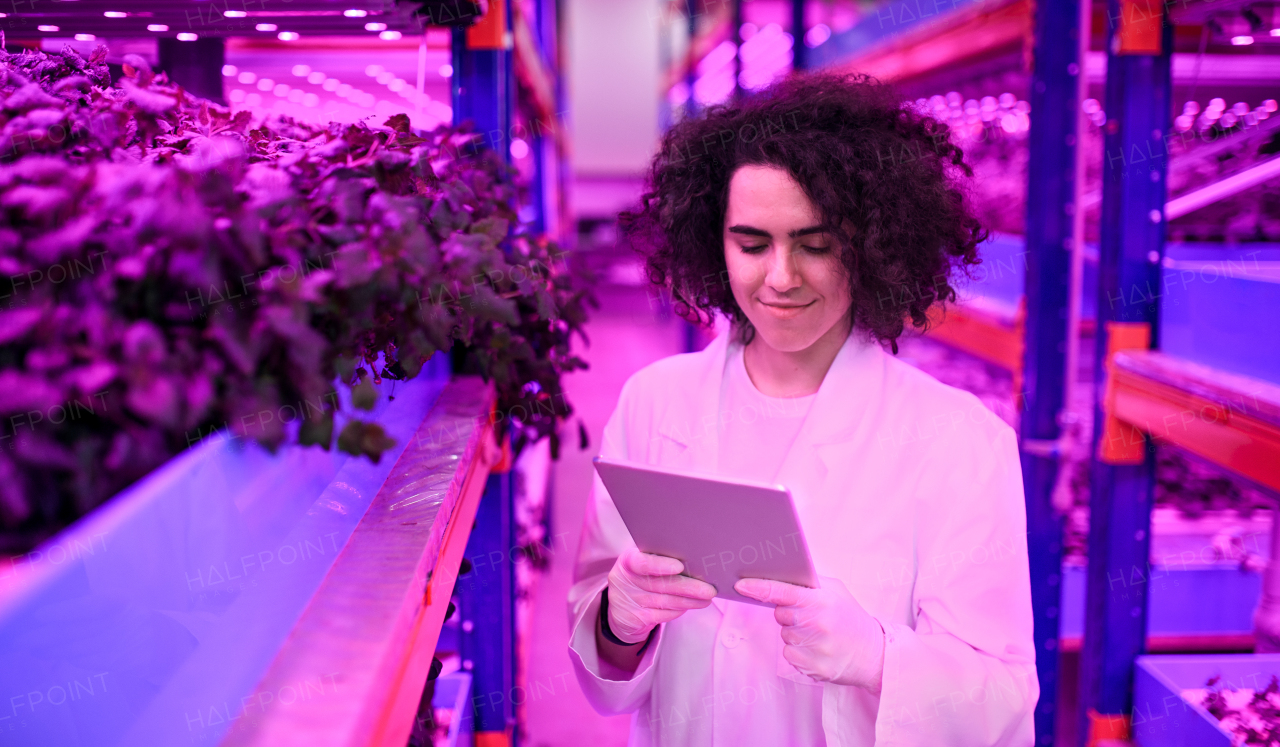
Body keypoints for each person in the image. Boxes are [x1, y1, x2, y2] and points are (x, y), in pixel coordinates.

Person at [567, 72, 1037, 746]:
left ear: (873, 246)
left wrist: (876, 658)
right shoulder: (655, 403)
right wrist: (618, 617)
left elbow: (1007, 704)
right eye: (752, 244)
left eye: (816, 245)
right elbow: (604, 668)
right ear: (713, 239)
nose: (780, 277)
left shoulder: (957, 440)